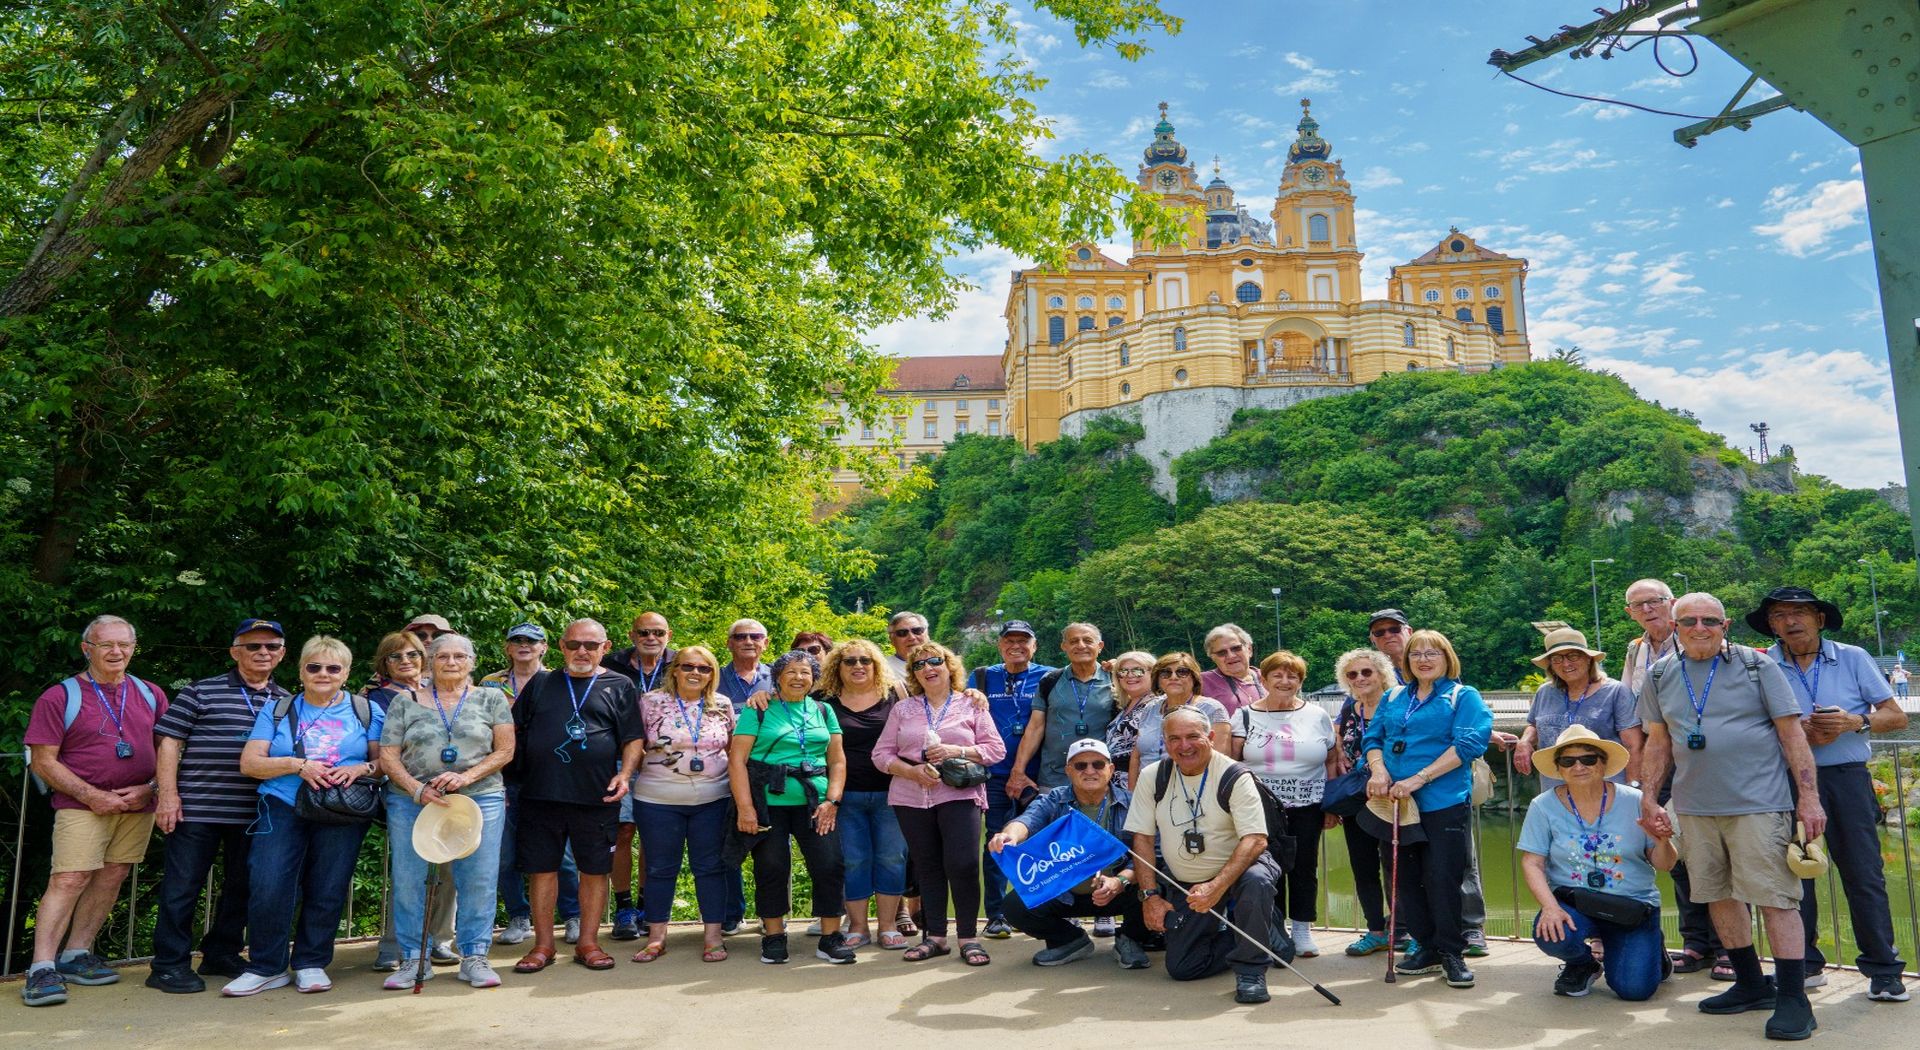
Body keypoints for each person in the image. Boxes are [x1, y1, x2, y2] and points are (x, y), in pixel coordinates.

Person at [1637, 592, 1825, 1041]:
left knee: (1776, 898)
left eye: (1710, 621)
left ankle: (1794, 999)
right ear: (1675, 626)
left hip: (1759, 803)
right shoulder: (1660, 673)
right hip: (1695, 806)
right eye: (1689, 621)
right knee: (1717, 894)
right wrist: (1649, 798)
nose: (1700, 628)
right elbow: (1658, 742)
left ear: (1725, 626)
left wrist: (1809, 798)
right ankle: (1748, 983)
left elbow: (1792, 734)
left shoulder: (1759, 667)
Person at [1749, 586, 1910, 1002]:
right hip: (1783, 780)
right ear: (1771, 625)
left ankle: (1884, 970)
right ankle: (1803, 965)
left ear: (1820, 619)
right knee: (1792, 874)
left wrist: (1854, 721)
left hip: (1845, 778)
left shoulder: (1853, 657)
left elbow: (1895, 717)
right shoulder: (1761, 665)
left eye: (1800, 612)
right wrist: (1791, 732)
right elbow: (1747, 728)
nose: (1791, 621)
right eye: (1780, 615)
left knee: (1863, 873)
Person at [21, 615, 168, 1008]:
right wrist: (92, 796)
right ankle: (41, 969)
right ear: (87, 649)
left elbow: (170, 751)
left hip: (137, 804)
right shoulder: (59, 697)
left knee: (113, 874)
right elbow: (43, 762)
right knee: (69, 879)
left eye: (125, 644)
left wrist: (150, 788)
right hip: (81, 806)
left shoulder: (151, 693)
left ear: (134, 648)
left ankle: (76, 955)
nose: (117, 652)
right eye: (106, 645)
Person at [225, 636, 383, 996]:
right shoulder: (278, 709)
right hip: (282, 802)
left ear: (345, 673)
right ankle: (266, 965)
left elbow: (384, 764)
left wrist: (359, 770)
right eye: (314, 667)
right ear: (301, 671)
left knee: (328, 884)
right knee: (268, 882)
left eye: (333, 668)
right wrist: (297, 765)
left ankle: (312, 961)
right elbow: (250, 763)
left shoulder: (367, 710)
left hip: (342, 806)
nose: (323, 673)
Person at [147, 618, 292, 994]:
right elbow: (168, 743)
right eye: (253, 646)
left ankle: (221, 952)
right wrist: (167, 795)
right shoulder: (201, 691)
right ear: (234, 651)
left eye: (271, 646)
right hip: (196, 809)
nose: (263, 652)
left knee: (242, 888)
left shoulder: (289, 700)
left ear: (282, 654)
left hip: (256, 812)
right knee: (182, 888)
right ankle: (168, 965)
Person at [378, 633, 515, 989]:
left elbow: (505, 751)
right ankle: (413, 959)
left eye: (459, 656)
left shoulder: (491, 698)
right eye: (443, 657)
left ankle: (474, 956)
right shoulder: (404, 702)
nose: (451, 662)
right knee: (409, 879)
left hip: (479, 796)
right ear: (430, 661)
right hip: (413, 800)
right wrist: (416, 788)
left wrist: (466, 776)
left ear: (472, 662)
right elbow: (388, 755)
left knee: (479, 877)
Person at [508, 619, 644, 975]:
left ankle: (588, 943)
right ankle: (543, 946)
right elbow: (512, 733)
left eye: (590, 645)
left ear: (605, 646)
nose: (581, 651)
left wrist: (625, 774)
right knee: (541, 870)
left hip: (597, 795)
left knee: (595, 870)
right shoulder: (540, 683)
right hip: (541, 793)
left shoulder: (620, 685)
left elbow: (633, 737)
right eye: (573, 645)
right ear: (560, 646)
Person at [1363, 628, 1491, 990]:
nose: (1423, 659)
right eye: (1416, 653)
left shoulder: (1462, 696)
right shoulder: (1393, 696)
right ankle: (1426, 946)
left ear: (1446, 657)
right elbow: (1374, 738)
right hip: (1395, 803)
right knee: (1404, 877)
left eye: (1432, 652)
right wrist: (1379, 769)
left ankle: (1452, 952)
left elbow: (1470, 741)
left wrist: (1419, 778)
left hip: (1442, 800)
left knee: (1442, 876)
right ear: (1407, 660)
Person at [1126, 707, 1282, 1004]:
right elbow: (1142, 838)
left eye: (1192, 736)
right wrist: (1150, 896)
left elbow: (1255, 839)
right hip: (1188, 877)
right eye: (1174, 739)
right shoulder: (1153, 776)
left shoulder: (1235, 774)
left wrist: (1217, 886)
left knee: (1256, 881)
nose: (1184, 746)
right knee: (1183, 967)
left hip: (1238, 867)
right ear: (1165, 742)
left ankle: (1251, 970)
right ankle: (1261, 934)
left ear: (1210, 737)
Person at [1520, 726, 1678, 1001]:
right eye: (1568, 761)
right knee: (1551, 933)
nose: (1578, 766)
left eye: (1588, 759)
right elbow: (1532, 862)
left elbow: (1664, 865)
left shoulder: (1636, 801)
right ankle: (1583, 963)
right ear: (1559, 768)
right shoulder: (1542, 806)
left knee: (1635, 991)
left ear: (1603, 763)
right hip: (1575, 902)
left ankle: (1654, 948)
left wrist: (1663, 841)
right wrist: (1550, 907)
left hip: (1631, 904)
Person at [874, 642, 1007, 965]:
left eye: (935, 661)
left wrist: (954, 751)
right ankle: (934, 937)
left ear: (950, 667)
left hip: (959, 795)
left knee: (962, 864)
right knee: (927, 867)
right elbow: (881, 755)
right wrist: (911, 771)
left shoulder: (971, 705)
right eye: (919, 665)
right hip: (910, 796)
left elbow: (995, 750)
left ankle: (968, 937)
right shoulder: (903, 709)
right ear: (914, 674)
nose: (928, 668)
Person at [1618, 578, 1721, 977]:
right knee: (1673, 849)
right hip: (1660, 759)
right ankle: (1696, 943)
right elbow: (1632, 711)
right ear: (1630, 613)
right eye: (1638, 605)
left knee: (1714, 847)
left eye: (1655, 601)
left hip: (1702, 758)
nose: (1648, 610)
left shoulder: (1695, 637)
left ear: (1671, 603)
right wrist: (1638, 773)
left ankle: (1730, 945)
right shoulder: (1636, 649)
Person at [730, 649, 856, 965]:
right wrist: (745, 808)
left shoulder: (824, 711)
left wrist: (833, 800)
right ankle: (773, 937)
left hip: (817, 802)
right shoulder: (758, 709)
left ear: (814, 678)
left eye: (805, 672)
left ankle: (830, 938)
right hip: (769, 801)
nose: (799, 678)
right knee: (771, 866)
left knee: (829, 865)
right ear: (777, 678)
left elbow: (837, 760)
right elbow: (737, 760)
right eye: (791, 672)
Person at [988, 739, 1149, 969]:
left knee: (1156, 885)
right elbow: (1027, 820)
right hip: (1065, 893)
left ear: (1111, 769)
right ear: (1068, 771)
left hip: (1118, 891)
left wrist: (1120, 880)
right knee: (1014, 906)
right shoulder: (1054, 798)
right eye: (1081, 766)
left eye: (1098, 764)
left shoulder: (1132, 803)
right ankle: (1070, 940)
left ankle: (1130, 940)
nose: (1090, 771)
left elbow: (1149, 856)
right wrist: (1009, 836)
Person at [630, 645, 736, 963]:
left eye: (704, 668)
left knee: (710, 868)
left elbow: (731, 750)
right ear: (674, 669)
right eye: (688, 666)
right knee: (660, 868)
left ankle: (714, 938)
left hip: (714, 799)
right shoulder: (650, 702)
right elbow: (636, 746)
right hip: (657, 800)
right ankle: (656, 938)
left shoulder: (723, 705)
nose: (695, 673)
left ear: (713, 674)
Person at [1231, 650, 1336, 958]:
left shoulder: (1317, 715)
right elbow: (1234, 761)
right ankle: (1274, 930)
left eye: (1292, 676)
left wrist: (1330, 804)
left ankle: (1302, 929)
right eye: (1277, 675)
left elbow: (1331, 758)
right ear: (1263, 679)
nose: (1285, 681)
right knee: (1266, 869)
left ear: (1300, 681)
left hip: (1308, 804)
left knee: (1305, 866)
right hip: (1260, 807)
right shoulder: (1245, 715)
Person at [481, 623, 580, 947]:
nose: (524, 645)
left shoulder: (559, 680)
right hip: (502, 778)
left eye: (532, 641)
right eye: (517, 641)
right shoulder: (488, 684)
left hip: (548, 777)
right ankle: (518, 916)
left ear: (544, 647)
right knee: (505, 854)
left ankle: (572, 915)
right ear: (507, 647)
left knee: (562, 854)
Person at [823, 639, 910, 949]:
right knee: (853, 860)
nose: (858, 666)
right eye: (849, 661)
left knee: (892, 857)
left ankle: (887, 926)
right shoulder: (823, 699)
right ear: (837, 667)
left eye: (865, 660)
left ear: (876, 665)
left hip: (893, 793)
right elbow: (787, 702)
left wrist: (973, 693)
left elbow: (941, 699)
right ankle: (858, 927)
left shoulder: (897, 694)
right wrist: (762, 695)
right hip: (844, 797)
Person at [970, 619, 1054, 940]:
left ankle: (1040, 910)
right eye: (1009, 640)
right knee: (996, 843)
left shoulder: (1050, 676)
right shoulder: (981, 676)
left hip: (1039, 775)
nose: (1016, 646)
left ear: (1035, 646)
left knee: (1039, 843)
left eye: (1024, 640)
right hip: (993, 775)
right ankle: (997, 914)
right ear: (1000, 645)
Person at [602, 612, 675, 940]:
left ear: (668, 635)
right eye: (644, 632)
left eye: (658, 632)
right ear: (631, 635)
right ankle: (624, 908)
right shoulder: (611, 665)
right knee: (622, 833)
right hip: (620, 761)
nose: (651, 637)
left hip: (665, 763)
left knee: (654, 837)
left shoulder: (681, 664)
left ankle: (649, 906)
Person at [1330, 648, 1402, 957]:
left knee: (1398, 865)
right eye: (1352, 674)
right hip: (1358, 798)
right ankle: (1375, 930)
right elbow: (1335, 734)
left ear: (1381, 673)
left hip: (1394, 796)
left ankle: (1403, 930)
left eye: (1366, 672)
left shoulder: (1399, 703)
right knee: (1363, 866)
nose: (1360, 679)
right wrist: (1337, 751)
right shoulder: (1350, 708)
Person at [1514, 628, 1643, 784]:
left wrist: (1633, 790)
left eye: (1573, 656)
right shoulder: (1545, 692)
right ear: (1551, 665)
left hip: (1605, 792)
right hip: (1555, 792)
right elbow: (1534, 724)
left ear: (1588, 659)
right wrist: (1524, 742)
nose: (1566, 663)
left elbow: (1633, 746)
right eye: (1557, 659)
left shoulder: (1615, 692)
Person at [1007, 622, 1115, 795]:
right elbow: (1035, 727)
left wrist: (1120, 665)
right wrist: (1018, 770)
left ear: (1100, 646)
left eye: (1087, 640)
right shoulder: (1050, 680)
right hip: (1053, 779)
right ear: (1064, 646)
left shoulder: (1116, 679)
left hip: (1101, 777)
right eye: (1073, 641)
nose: (1080, 646)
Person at [1129, 651, 1229, 788]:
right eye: (1166, 673)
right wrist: (1132, 792)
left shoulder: (1212, 709)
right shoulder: (1150, 708)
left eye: (1182, 672)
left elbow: (1219, 760)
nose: (1173, 677)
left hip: (1192, 788)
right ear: (1158, 680)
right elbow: (1136, 756)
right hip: (1147, 788)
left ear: (1194, 678)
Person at [1106, 650, 1162, 791]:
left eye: (1138, 671)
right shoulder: (1123, 707)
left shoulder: (1159, 705)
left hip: (1140, 786)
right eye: (1123, 671)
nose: (1130, 676)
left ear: (1153, 673)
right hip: (1115, 787)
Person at [1199, 623, 1262, 716]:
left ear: (1249, 649)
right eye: (1221, 652)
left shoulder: (1271, 677)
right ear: (1212, 658)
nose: (1231, 656)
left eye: (1236, 648)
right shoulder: (1202, 682)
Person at [364, 630, 428, 712]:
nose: (405, 661)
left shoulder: (434, 689)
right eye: (395, 657)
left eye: (412, 654)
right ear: (385, 663)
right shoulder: (379, 697)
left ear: (422, 658)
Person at [885, 611, 930, 677]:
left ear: (927, 634)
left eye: (917, 630)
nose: (912, 637)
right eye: (902, 633)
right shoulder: (883, 670)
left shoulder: (944, 662)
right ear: (892, 639)